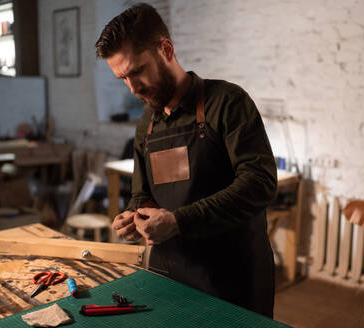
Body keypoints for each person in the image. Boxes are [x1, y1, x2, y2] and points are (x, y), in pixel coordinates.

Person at [95, 3, 278, 318]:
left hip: (233, 279)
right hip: (169, 276)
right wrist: (134, 216)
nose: (133, 88)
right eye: (122, 78)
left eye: (137, 71)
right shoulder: (147, 124)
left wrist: (179, 221)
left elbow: (259, 184)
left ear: (166, 49)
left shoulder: (227, 103)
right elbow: (142, 192)